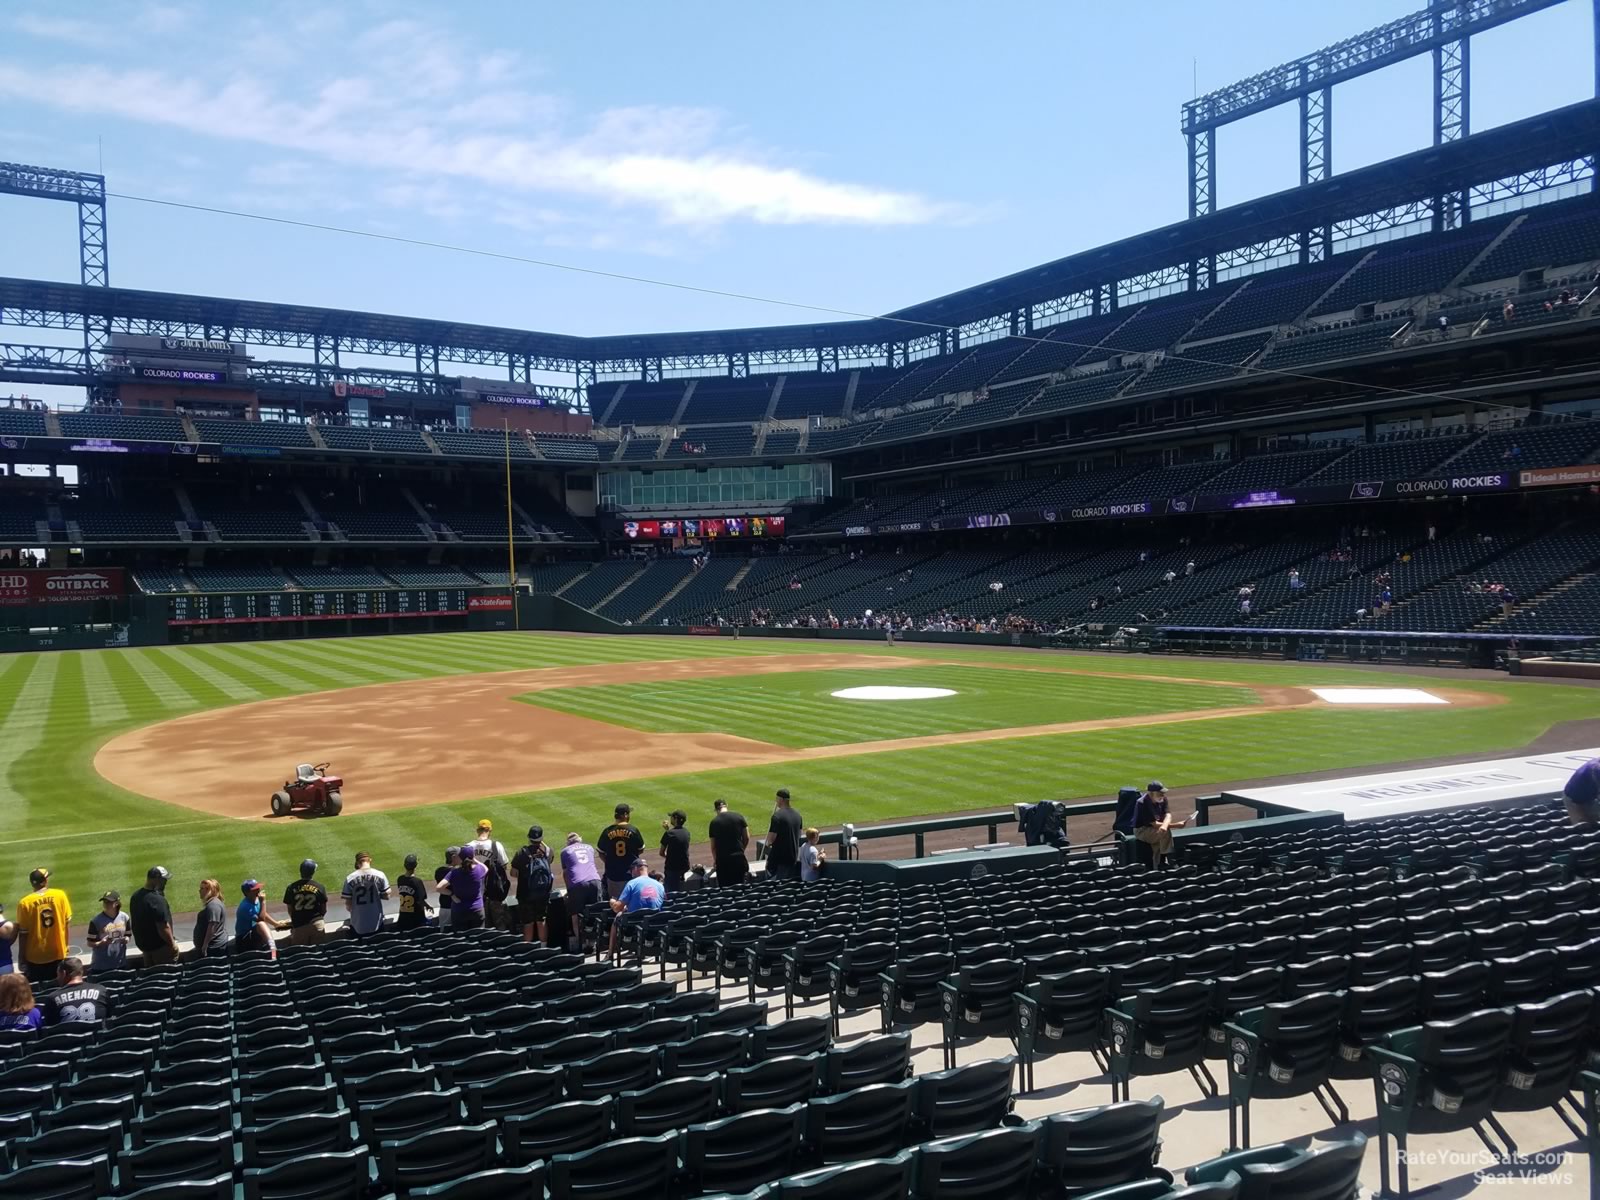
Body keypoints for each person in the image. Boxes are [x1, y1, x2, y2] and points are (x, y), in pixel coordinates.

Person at [15, 867, 71, 985]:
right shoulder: (60, 895)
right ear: (45, 881)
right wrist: (65, 947)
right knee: (58, 988)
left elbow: (23, 934)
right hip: (58, 952)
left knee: (39, 991)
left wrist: (21, 958)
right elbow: (66, 923)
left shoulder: (25, 903)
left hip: (35, 957)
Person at [608, 857, 666, 956]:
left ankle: (610, 954)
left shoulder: (632, 883)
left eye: (631, 871)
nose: (631, 874)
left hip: (634, 922)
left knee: (617, 917)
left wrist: (612, 902)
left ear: (636, 868)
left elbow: (618, 908)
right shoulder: (660, 885)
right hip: (653, 922)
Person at [510, 826, 554, 945]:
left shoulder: (521, 853)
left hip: (526, 894)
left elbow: (513, 873)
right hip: (543, 893)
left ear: (529, 838)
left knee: (528, 922)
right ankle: (544, 948)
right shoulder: (548, 851)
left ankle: (528, 950)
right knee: (541, 920)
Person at [560, 833, 602, 950]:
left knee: (575, 914)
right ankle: (593, 942)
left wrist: (569, 889)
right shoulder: (589, 847)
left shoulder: (565, 851)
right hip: (594, 880)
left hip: (577, 883)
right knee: (595, 912)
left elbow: (566, 873)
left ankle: (581, 943)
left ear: (568, 842)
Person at [129, 866, 178, 968]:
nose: (165, 883)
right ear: (156, 879)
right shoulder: (157, 900)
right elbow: (163, 927)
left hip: (145, 949)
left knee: (151, 979)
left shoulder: (135, 897)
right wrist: (172, 944)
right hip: (161, 949)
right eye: (163, 880)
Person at [469, 820, 513, 931]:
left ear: (478, 830)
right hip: (495, 892)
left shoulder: (468, 847)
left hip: (475, 893)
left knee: (482, 926)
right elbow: (504, 866)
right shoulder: (496, 845)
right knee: (500, 924)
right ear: (489, 830)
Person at [1133, 781, 1187, 869]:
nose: (1162, 795)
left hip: (1155, 828)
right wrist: (1175, 825)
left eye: (1163, 793)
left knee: (1158, 842)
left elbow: (1168, 815)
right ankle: (1168, 859)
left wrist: (1164, 826)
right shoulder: (1142, 803)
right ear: (1151, 793)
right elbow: (1154, 824)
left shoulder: (1163, 799)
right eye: (1159, 793)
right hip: (1142, 830)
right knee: (1165, 833)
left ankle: (1157, 867)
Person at [597, 805, 646, 902]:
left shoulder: (607, 831)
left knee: (616, 904)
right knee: (633, 901)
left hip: (613, 875)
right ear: (625, 815)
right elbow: (641, 849)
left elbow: (601, 852)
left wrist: (610, 861)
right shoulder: (633, 830)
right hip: (631, 874)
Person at [44, 958, 109, 1025]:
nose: (57, 978)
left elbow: (50, 1026)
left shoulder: (52, 998)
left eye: (58, 975)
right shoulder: (101, 991)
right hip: (96, 1034)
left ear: (64, 973)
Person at [439, 845, 487, 932]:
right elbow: (485, 868)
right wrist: (474, 859)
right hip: (477, 909)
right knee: (478, 937)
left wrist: (452, 894)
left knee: (461, 939)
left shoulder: (454, 873)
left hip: (459, 910)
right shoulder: (479, 870)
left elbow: (439, 888)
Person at [342, 852, 391, 938]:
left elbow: (348, 905)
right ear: (370, 860)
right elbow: (387, 896)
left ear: (357, 863)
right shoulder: (380, 875)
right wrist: (376, 895)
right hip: (377, 923)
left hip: (358, 924)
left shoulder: (350, 878)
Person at [283, 860, 329, 945]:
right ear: (313, 872)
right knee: (318, 952)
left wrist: (296, 920)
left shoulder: (291, 887)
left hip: (299, 926)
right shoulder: (319, 887)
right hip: (317, 923)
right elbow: (324, 909)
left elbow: (290, 910)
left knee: (300, 953)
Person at [235, 880, 285, 958]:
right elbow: (261, 919)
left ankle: (272, 951)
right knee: (261, 924)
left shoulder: (256, 899)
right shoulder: (245, 907)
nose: (259, 890)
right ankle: (273, 949)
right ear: (247, 892)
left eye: (258, 888)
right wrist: (263, 902)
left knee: (261, 925)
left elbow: (262, 913)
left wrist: (276, 924)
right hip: (243, 940)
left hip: (253, 934)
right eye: (255, 889)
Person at [85, 891, 130, 976]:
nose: (106, 904)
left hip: (120, 963)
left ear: (117, 903)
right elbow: (90, 943)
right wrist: (101, 943)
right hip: (101, 966)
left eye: (109, 902)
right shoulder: (96, 921)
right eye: (105, 901)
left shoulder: (125, 917)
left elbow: (128, 934)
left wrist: (126, 939)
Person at [764, 789, 804, 882]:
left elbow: (771, 840)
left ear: (781, 799)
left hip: (778, 859)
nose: (776, 801)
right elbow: (799, 835)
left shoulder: (777, 816)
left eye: (777, 799)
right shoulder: (798, 815)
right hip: (792, 857)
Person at [709, 799, 750, 887]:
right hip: (739, 859)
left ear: (716, 809)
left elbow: (713, 847)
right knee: (741, 888)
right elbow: (746, 838)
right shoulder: (739, 817)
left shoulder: (714, 822)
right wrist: (741, 850)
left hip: (723, 862)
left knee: (725, 891)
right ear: (726, 805)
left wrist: (716, 860)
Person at [193, 879, 230, 959]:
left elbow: (212, 925)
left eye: (202, 888)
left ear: (209, 890)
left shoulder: (213, 905)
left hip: (213, 948)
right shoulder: (213, 903)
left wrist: (205, 945)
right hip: (213, 947)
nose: (199, 891)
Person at [395, 855, 432, 932]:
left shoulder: (400, 879)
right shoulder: (417, 881)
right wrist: (428, 906)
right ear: (415, 866)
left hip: (403, 917)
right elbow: (421, 900)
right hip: (416, 918)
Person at [658, 810, 691, 893]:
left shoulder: (669, 834)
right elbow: (677, 839)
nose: (670, 819)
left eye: (671, 817)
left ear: (675, 819)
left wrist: (668, 856)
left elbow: (661, 852)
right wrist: (668, 830)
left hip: (672, 868)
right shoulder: (686, 832)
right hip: (684, 866)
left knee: (671, 893)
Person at [1563, 755, 1600, 825]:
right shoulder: (1596, 769)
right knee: (1583, 826)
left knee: (1593, 822)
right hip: (1574, 800)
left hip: (1590, 796)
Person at [433, 848, 458, 931]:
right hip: (454, 906)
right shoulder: (456, 872)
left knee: (443, 930)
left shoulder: (438, 871)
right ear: (454, 857)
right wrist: (452, 894)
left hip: (443, 904)